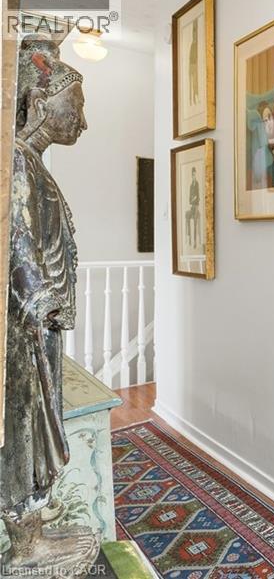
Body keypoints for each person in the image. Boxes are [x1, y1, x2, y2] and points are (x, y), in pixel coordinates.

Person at [2, 35, 98, 572]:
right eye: (75, 107)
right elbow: (17, 243)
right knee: (25, 427)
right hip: (25, 329)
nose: (82, 122)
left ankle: (34, 524)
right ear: (39, 105)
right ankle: (26, 543)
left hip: (37, 327)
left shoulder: (31, 164)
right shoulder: (17, 163)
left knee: (37, 423)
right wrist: (41, 301)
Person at [186, 167, 200, 247]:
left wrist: (194, 198)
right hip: (192, 206)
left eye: (194, 175)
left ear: (195, 175)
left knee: (194, 220)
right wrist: (193, 199)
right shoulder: (191, 186)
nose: (193, 176)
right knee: (187, 216)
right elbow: (189, 200)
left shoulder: (197, 184)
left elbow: (198, 197)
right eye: (192, 175)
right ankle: (189, 239)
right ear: (191, 176)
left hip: (196, 206)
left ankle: (195, 241)